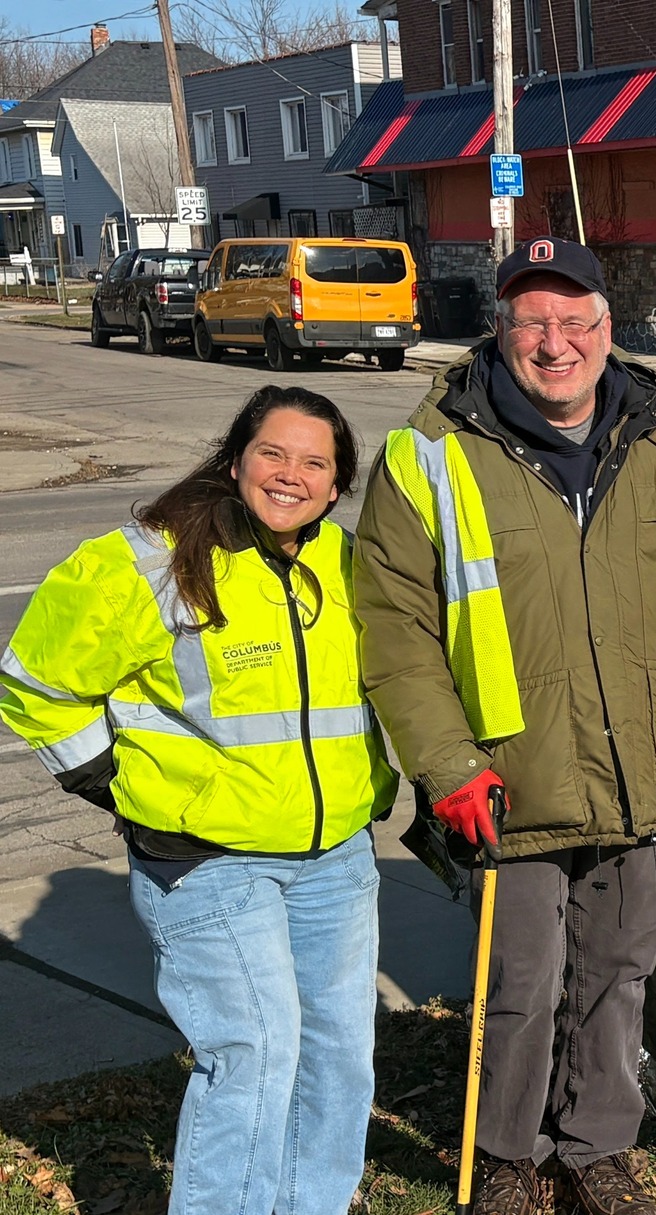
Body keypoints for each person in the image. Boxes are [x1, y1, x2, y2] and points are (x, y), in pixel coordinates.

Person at [354, 238, 656, 1215]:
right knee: (521, 986)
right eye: (533, 321)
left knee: (621, 973)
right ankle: (508, 1155)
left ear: (606, 330)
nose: (555, 342)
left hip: (647, 768)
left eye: (575, 320)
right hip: (508, 779)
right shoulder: (431, 452)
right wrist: (446, 763)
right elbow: (393, 624)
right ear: (500, 329)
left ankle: (595, 1148)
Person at [1, 387, 398, 1215]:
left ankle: (311, 1203)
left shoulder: (348, 562)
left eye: (314, 463)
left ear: (336, 486)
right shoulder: (151, 558)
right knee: (253, 1050)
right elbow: (34, 682)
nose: (290, 475)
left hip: (334, 859)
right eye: (273, 453)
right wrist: (114, 783)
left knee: (337, 1052)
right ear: (235, 458)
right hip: (208, 864)